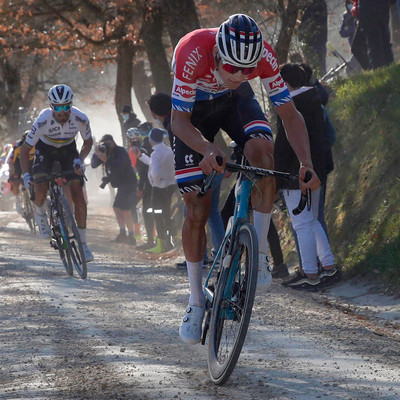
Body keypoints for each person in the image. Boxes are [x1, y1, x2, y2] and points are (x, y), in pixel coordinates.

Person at [169, 14, 320, 345]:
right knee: (197, 206)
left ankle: (260, 254)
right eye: (231, 68)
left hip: (234, 105)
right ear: (218, 54)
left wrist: (307, 162)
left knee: (263, 154)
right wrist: (208, 149)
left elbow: (290, 116)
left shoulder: (262, 56)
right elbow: (179, 122)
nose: (238, 75)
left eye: (245, 70)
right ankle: (196, 301)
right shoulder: (192, 51)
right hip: (194, 113)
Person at [274, 63, 339, 290]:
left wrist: (277, 176)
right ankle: (328, 266)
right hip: (316, 170)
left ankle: (310, 272)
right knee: (312, 220)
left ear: (284, 83)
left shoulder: (290, 106)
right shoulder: (314, 101)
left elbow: (283, 145)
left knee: (302, 224)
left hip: (296, 173)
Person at [147, 92, 224, 266]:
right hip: (216, 163)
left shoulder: (174, 124)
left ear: (153, 113)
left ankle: (199, 257)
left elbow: (184, 152)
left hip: (201, 170)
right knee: (212, 213)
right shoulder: (188, 113)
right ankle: (220, 256)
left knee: (191, 214)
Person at [20, 84, 94, 261]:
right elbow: (24, 150)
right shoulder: (42, 121)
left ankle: (83, 245)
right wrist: (26, 175)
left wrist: (80, 159)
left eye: (66, 107)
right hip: (45, 150)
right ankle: (40, 213)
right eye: (58, 108)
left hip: (68, 149)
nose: (62, 112)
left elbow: (88, 142)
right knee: (40, 187)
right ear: (51, 107)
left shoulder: (80, 118)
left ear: (71, 105)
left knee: (78, 194)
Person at [91, 134, 137, 244]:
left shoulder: (120, 152)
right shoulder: (104, 152)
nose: (107, 146)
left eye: (109, 143)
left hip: (129, 182)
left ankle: (131, 236)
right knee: (117, 208)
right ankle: (123, 233)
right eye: (104, 144)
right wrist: (96, 152)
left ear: (113, 142)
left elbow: (119, 167)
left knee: (125, 209)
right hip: (121, 184)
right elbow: (93, 165)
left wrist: (106, 159)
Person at [136, 128, 177, 253]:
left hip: (159, 189)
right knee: (165, 214)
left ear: (151, 139)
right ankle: (169, 241)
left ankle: (161, 244)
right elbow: (153, 164)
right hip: (170, 186)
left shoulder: (156, 154)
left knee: (157, 214)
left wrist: (155, 182)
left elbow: (156, 171)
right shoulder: (168, 150)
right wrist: (141, 156)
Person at [355, 0, 394, 69]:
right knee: (385, 41)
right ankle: (390, 67)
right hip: (383, 6)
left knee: (374, 44)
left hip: (368, 9)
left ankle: (380, 70)